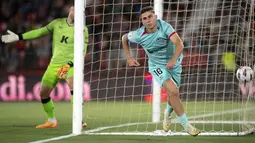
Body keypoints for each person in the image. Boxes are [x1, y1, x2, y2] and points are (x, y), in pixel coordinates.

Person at [1, 6, 88, 129]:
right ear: (70, 9)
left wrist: (69, 65)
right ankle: (51, 120)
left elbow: (82, 52)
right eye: (75, 9)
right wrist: (19, 37)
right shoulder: (57, 23)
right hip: (54, 64)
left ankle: (78, 118)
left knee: (72, 84)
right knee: (43, 93)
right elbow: (39, 32)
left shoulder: (83, 29)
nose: (77, 12)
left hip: (70, 63)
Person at [121, 6, 200, 136]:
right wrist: (129, 57)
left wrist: (173, 60)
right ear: (142, 21)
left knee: (173, 94)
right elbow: (124, 38)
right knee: (174, 91)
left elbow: (179, 44)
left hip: (174, 63)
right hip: (157, 67)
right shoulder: (139, 34)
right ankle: (186, 125)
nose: (148, 20)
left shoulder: (165, 27)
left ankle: (167, 113)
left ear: (155, 17)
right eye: (144, 19)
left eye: (150, 17)